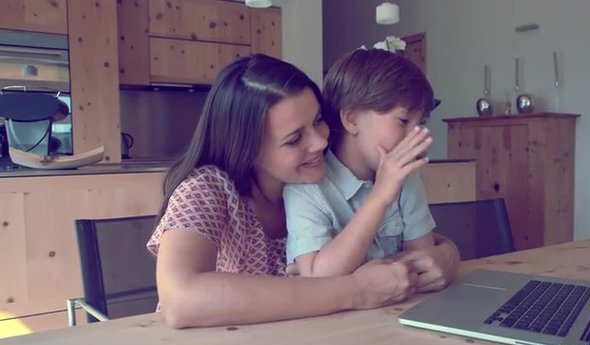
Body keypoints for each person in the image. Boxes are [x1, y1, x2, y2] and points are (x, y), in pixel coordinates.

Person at [148, 54, 459, 329]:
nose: (320, 142)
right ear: (247, 147)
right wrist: (355, 291)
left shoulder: (320, 177)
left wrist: (446, 254)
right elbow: (181, 298)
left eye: (318, 120)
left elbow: (392, 241)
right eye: (294, 138)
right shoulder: (206, 189)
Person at [284, 49, 454, 290]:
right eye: (403, 121)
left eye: (422, 123)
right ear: (352, 119)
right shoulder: (306, 187)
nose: (416, 135)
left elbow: (422, 263)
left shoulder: (406, 178)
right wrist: (381, 197)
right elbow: (317, 279)